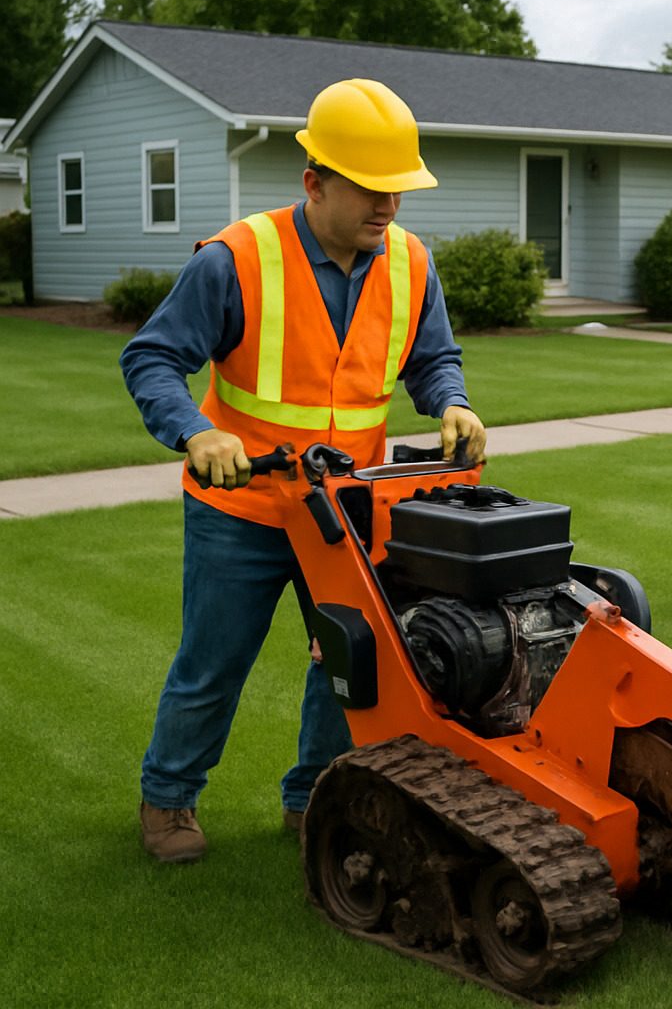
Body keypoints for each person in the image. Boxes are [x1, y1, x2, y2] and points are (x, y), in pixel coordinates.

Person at [120, 79, 487, 863]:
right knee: (214, 664)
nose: (388, 207)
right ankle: (169, 801)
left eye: (398, 190)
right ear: (314, 182)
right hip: (243, 510)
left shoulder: (413, 264)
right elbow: (152, 358)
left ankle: (317, 797)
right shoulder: (236, 259)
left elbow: (433, 359)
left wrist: (451, 401)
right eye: (370, 189)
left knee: (346, 663)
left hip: (346, 508)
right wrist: (195, 431)